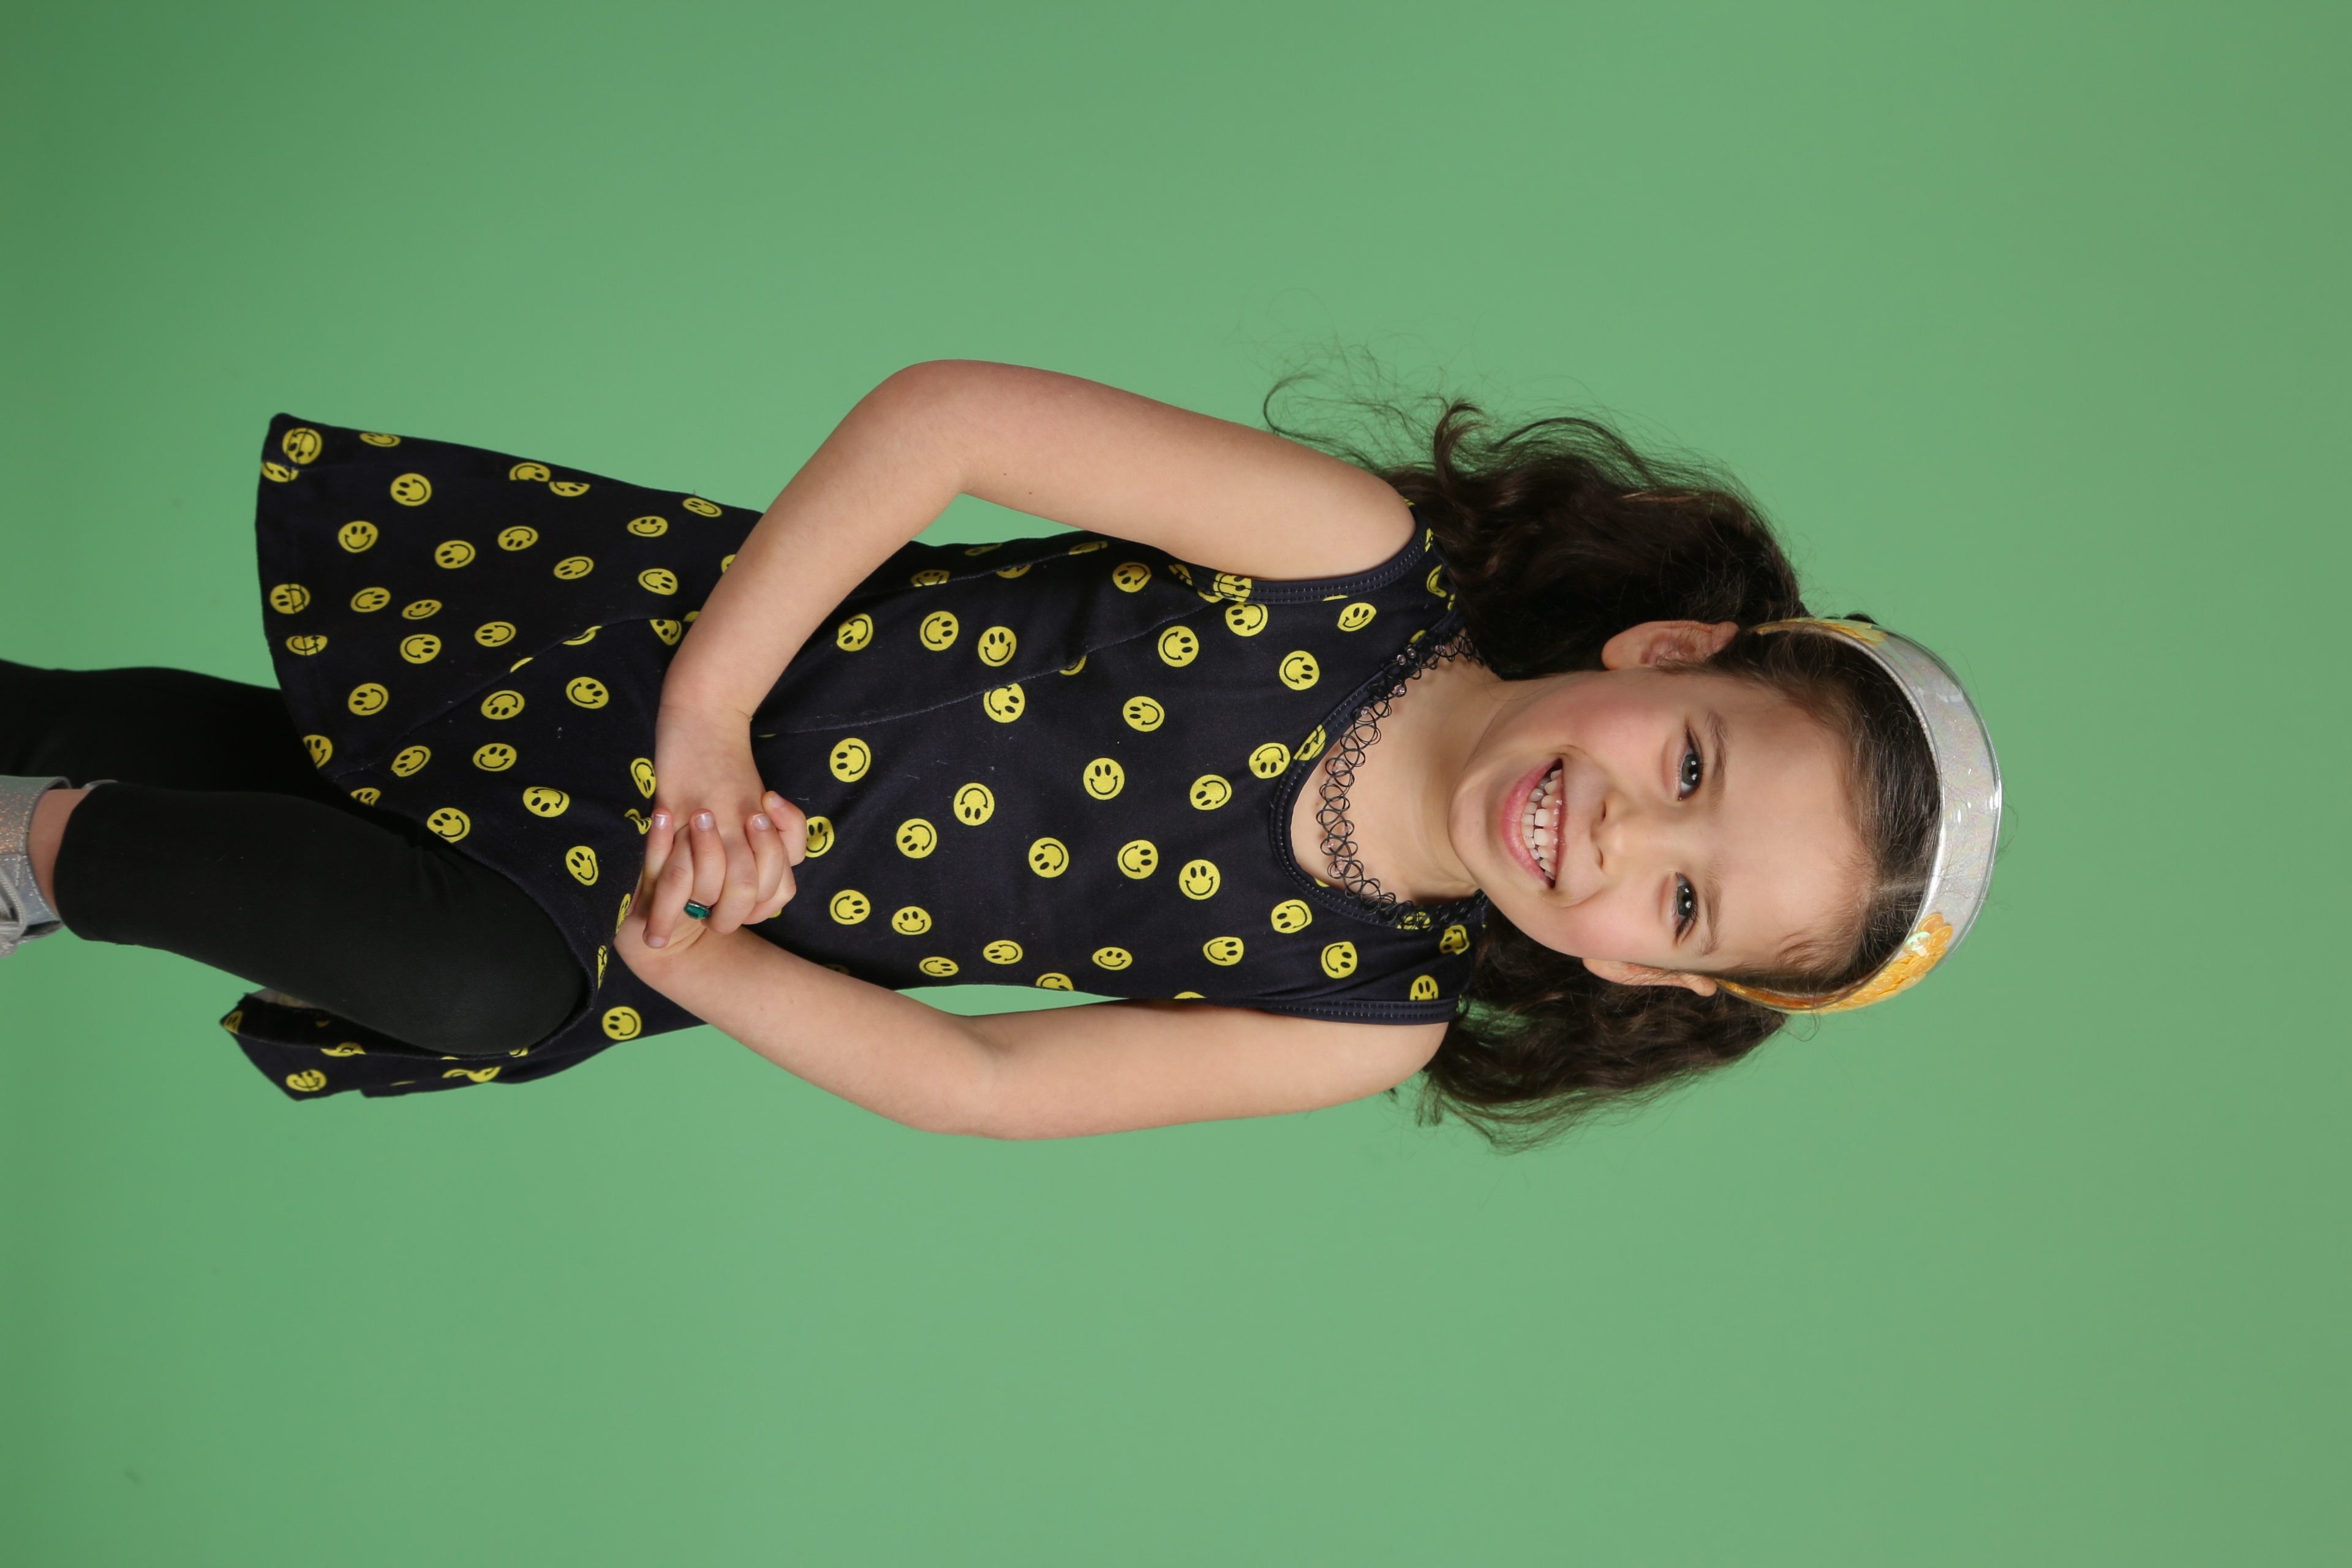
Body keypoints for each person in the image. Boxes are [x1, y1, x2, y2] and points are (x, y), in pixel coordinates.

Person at [0, 362, 2000, 1147]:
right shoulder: (1341, 561)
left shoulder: (1363, 1014)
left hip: (687, 901)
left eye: (1684, 901)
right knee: (374, 886)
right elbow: (948, 423)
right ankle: (36, 840)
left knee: (378, 885)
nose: (1623, 836)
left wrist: (706, 958)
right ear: (1668, 653)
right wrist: (706, 715)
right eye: (1693, 767)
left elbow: (989, 1079)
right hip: (664, 678)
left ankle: (42, 820)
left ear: (1646, 975)